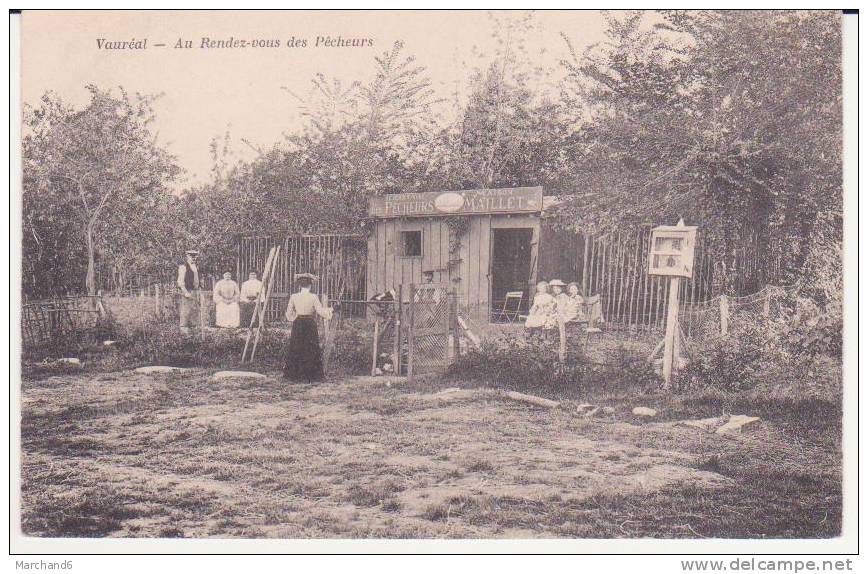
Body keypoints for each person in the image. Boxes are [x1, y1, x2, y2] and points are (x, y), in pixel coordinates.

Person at [283, 273, 333, 382]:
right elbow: (320, 312)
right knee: (310, 348)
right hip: (310, 323)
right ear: (310, 286)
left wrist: (294, 318)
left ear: (300, 286)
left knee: (296, 347)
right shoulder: (313, 297)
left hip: (298, 323)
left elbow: (288, 313)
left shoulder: (294, 296)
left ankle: (294, 375)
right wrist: (330, 311)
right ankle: (310, 375)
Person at [177, 250, 201, 333]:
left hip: (195, 290)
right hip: (187, 291)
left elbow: (196, 279)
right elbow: (180, 282)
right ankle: (183, 328)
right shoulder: (183, 267)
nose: (193, 258)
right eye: (192, 256)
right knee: (186, 310)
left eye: (195, 256)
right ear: (187, 256)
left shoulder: (195, 267)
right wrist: (185, 292)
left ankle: (194, 328)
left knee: (194, 309)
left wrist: (198, 290)